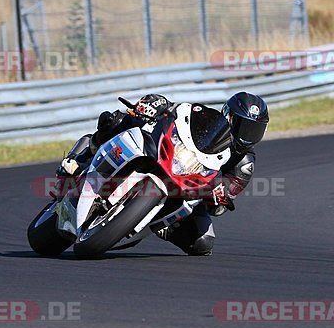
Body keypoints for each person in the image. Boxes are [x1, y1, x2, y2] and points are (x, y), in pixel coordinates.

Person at [52, 92, 269, 256]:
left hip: (190, 190)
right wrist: (155, 105)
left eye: (253, 131)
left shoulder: (244, 164)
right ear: (228, 117)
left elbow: (223, 203)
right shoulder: (203, 117)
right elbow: (174, 111)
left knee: (203, 241)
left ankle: (161, 224)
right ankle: (81, 157)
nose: (246, 136)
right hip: (171, 159)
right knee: (116, 120)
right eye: (243, 127)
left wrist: (219, 197)